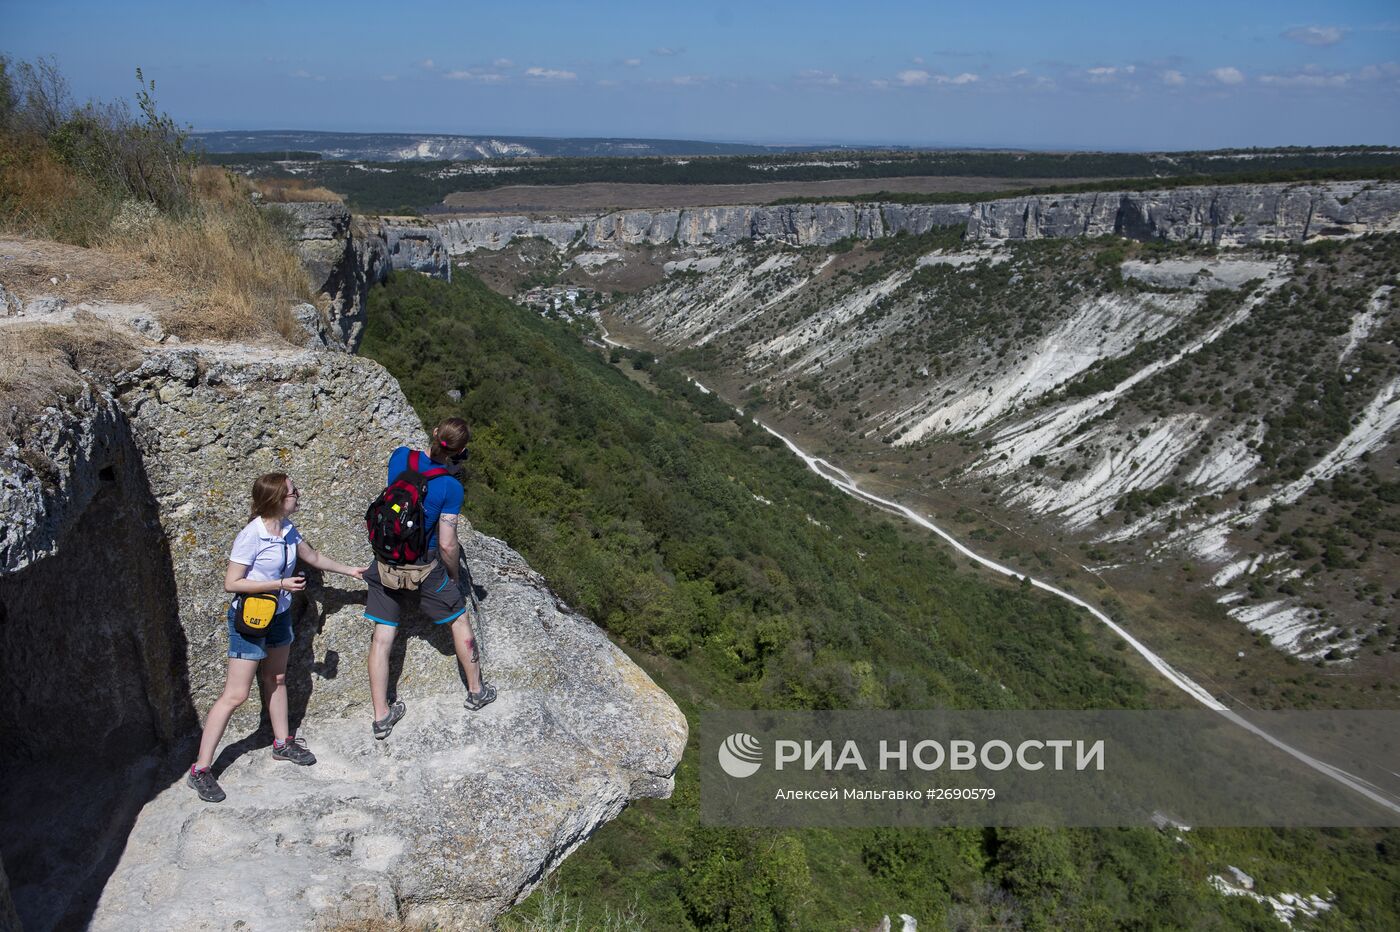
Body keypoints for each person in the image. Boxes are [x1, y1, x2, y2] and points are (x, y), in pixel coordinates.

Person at [187, 472, 366, 803]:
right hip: (251, 618)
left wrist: (351, 571)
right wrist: (279, 585)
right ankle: (200, 769)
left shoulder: (286, 530)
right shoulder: (250, 536)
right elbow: (232, 583)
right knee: (236, 694)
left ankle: (282, 743)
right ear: (277, 499)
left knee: (278, 678)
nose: (298, 495)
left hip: (279, 615)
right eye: (293, 492)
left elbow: (312, 558)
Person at [365, 416, 495, 740]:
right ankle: (477, 692)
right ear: (461, 450)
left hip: (386, 560)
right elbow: (448, 542)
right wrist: (453, 577)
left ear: (434, 433)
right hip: (424, 568)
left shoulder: (400, 457)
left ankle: (381, 716)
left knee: (382, 638)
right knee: (458, 621)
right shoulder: (451, 487)